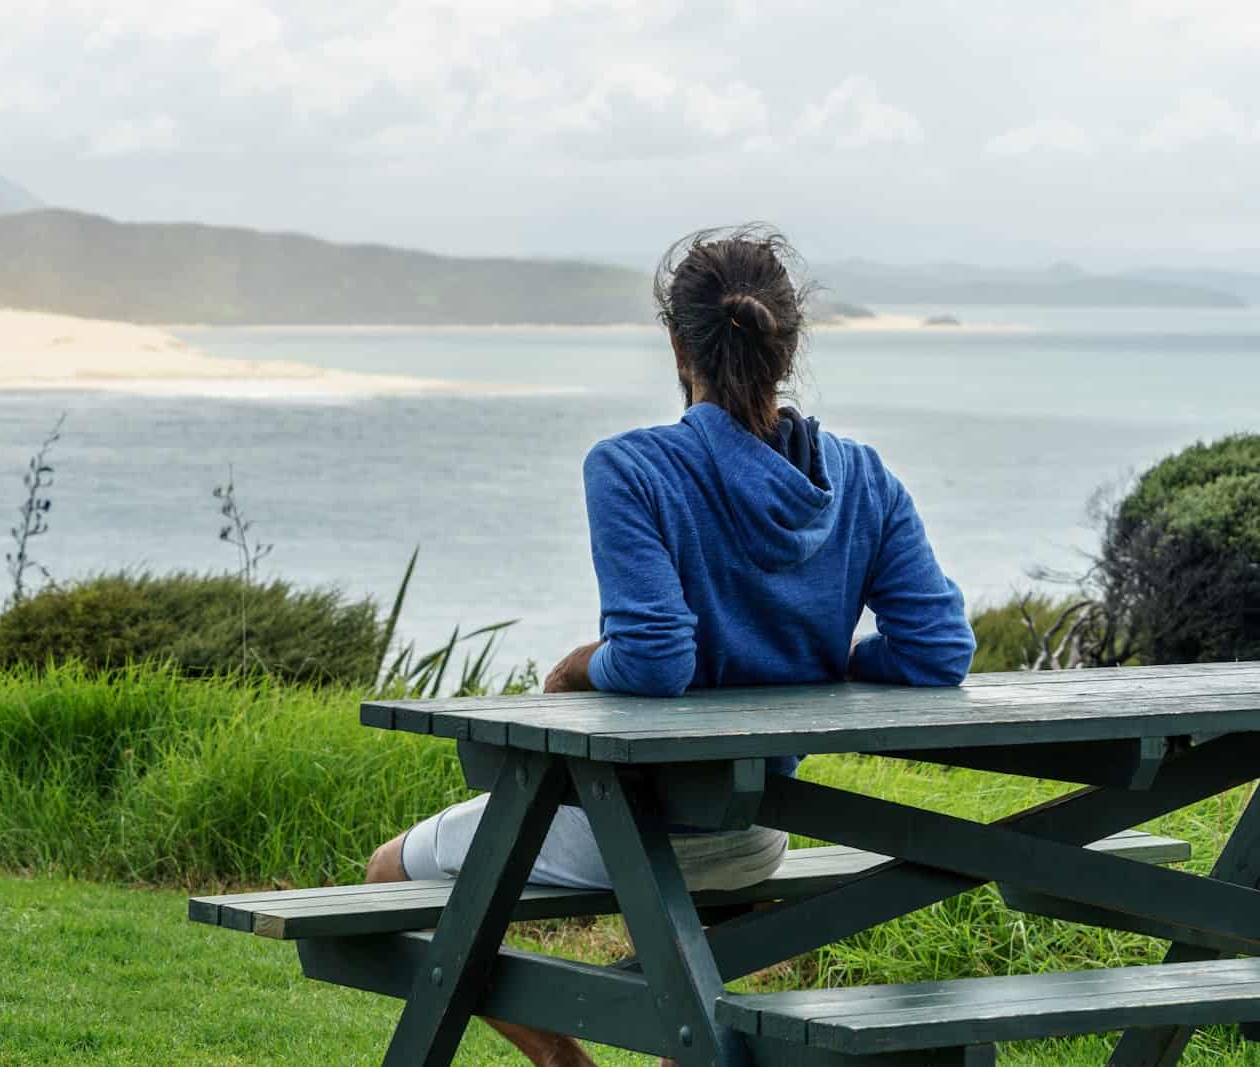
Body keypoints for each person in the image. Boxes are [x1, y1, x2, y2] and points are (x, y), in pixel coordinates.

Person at [365, 224, 977, 1067]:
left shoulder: (633, 469)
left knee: (385, 878)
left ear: (676, 344)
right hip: (759, 829)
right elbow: (937, 648)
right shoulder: (863, 478)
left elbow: (655, 658)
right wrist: (828, 662)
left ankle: (562, 1060)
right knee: (684, 984)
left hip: (633, 828)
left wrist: (581, 664)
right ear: (787, 345)